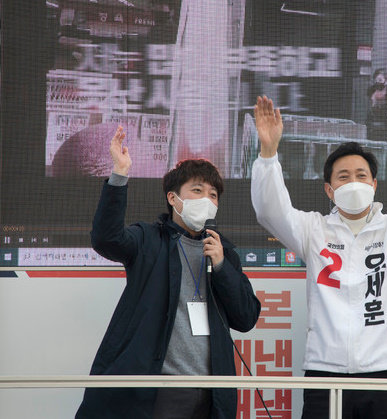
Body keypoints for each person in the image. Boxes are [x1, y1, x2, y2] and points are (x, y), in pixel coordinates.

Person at [251, 88, 387, 419]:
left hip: (386, 370)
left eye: (361, 176)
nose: (352, 182)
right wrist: (269, 154)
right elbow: (271, 211)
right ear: (329, 190)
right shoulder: (313, 229)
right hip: (325, 370)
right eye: (343, 177)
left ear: (374, 185)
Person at [76, 126, 261, 419]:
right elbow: (106, 239)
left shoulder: (223, 251)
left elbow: (246, 317)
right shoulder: (149, 239)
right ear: (173, 198)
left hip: (211, 393)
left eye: (213, 195)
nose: (207, 199)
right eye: (197, 190)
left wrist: (223, 267)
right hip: (158, 389)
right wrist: (120, 174)